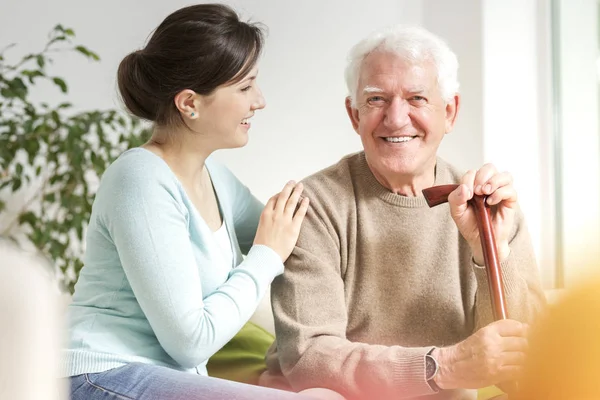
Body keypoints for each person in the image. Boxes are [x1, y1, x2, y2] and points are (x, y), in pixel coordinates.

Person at [60, 4, 339, 400]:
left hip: (157, 377)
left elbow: (298, 240)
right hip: (100, 374)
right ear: (189, 103)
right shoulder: (139, 178)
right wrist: (264, 257)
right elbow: (191, 342)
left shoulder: (216, 179)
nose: (258, 101)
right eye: (245, 87)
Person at [261, 25, 546, 400]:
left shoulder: (489, 205)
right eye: (377, 99)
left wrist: (490, 252)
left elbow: (533, 369)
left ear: (449, 111)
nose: (396, 119)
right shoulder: (313, 206)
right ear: (354, 114)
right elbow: (309, 359)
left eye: (416, 98)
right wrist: (443, 366)